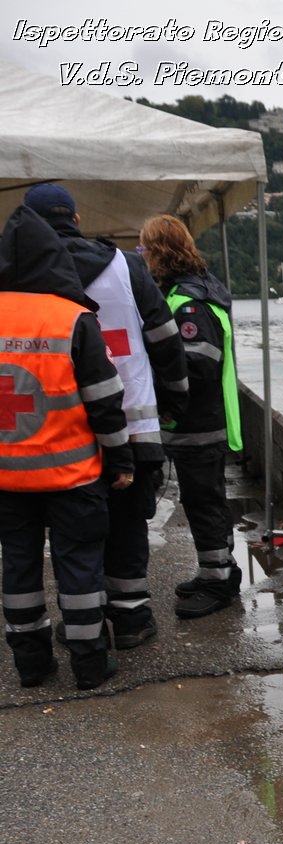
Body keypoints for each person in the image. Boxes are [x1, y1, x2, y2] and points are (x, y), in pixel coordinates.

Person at [25, 185, 188, 648]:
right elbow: (165, 340)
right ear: (76, 220)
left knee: (72, 531)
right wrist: (173, 403)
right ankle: (132, 617)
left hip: (58, 433)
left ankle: (84, 618)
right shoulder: (128, 267)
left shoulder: (22, 275)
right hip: (134, 427)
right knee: (129, 522)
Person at [0, 205, 134, 690]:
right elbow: (105, 402)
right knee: (79, 568)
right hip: (72, 475)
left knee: (18, 569)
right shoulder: (72, 319)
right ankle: (90, 666)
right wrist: (121, 460)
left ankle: (32, 667)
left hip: (7, 479)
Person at [137, 214, 242, 619]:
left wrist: (163, 397)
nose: (142, 256)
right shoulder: (193, 289)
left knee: (204, 501)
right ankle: (217, 570)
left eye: (145, 249)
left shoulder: (190, 302)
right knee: (203, 499)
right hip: (200, 420)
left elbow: (197, 366)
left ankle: (217, 582)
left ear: (159, 250)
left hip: (197, 422)